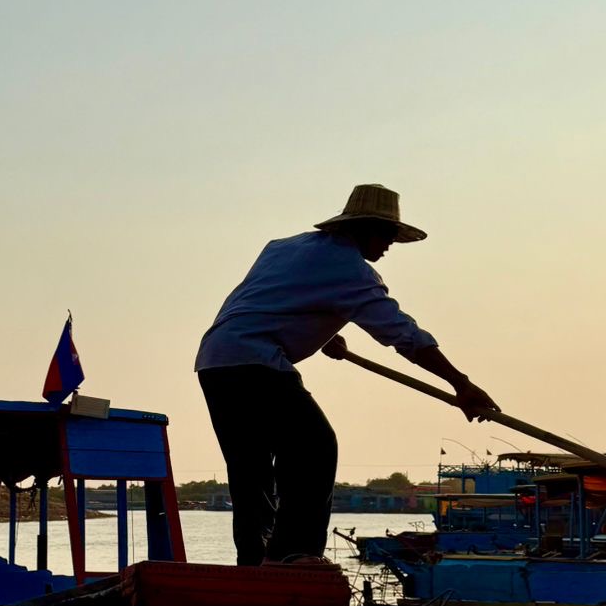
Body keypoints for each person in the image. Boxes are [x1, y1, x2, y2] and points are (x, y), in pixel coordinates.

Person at [196, 184, 498, 566]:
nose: (389, 246)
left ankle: (255, 566)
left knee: (250, 471)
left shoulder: (284, 247)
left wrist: (322, 326)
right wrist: (461, 383)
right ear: (364, 229)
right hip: (256, 363)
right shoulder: (352, 271)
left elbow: (274, 298)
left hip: (214, 362)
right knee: (316, 445)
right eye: (386, 235)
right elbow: (404, 335)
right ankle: (295, 554)